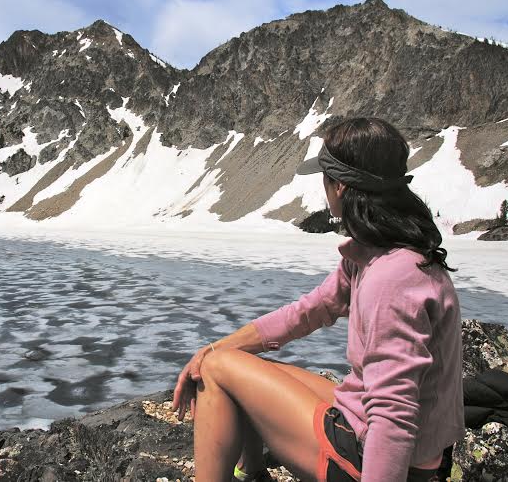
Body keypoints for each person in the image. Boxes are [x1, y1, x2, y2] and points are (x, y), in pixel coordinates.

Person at [172, 117, 466, 482]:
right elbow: (311, 310)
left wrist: (212, 360)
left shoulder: (391, 279)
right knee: (226, 359)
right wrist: (213, 348)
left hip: (378, 463)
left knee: (218, 370)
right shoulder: (379, 255)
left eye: (325, 179)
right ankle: (253, 473)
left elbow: (393, 414)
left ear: (340, 186)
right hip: (401, 450)